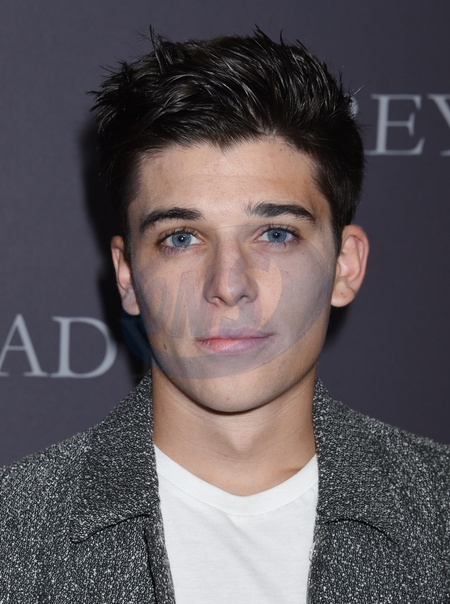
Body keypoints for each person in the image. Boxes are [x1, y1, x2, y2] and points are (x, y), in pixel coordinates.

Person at [0, 29, 448, 603]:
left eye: (276, 234)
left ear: (345, 266)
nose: (229, 286)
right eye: (181, 237)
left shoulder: (437, 513)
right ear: (128, 276)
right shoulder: (16, 535)